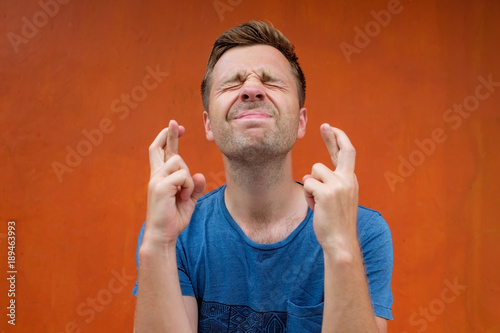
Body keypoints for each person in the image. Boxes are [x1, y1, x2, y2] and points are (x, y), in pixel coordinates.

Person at [132, 21, 393, 332]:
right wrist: (158, 243)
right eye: (232, 83)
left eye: (271, 82)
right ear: (209, 125)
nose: (251, 90)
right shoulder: (175, 234)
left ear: (300, 121)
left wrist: (340, 244)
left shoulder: (362, 231)